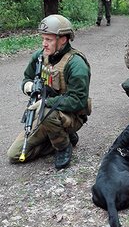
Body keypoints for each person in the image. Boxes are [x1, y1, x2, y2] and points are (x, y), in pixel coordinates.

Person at [7, 14, 91, 170]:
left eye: (49, 40)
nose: (44, 44)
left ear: (63, 39)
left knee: (46, 112)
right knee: (15, 155)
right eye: (43, 39)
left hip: (71, 115)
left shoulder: (76, 64)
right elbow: (26, 78)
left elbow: (78, 100)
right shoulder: (40, 57)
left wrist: (46, 102)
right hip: (44, 114)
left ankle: (63, 146)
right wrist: (29, 86)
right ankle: (59, 136)